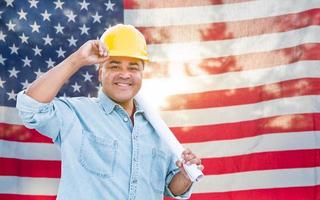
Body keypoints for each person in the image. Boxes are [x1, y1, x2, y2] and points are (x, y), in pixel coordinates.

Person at [16, 24, 203, 199]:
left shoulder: (157, 128)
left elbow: (171, 187)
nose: (125, 74)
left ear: (142, 74)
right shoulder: (76, 114)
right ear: (100, 73)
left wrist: (185, 176)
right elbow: (31, 108)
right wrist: (77, 59)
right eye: (115, 66)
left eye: (133, 67)